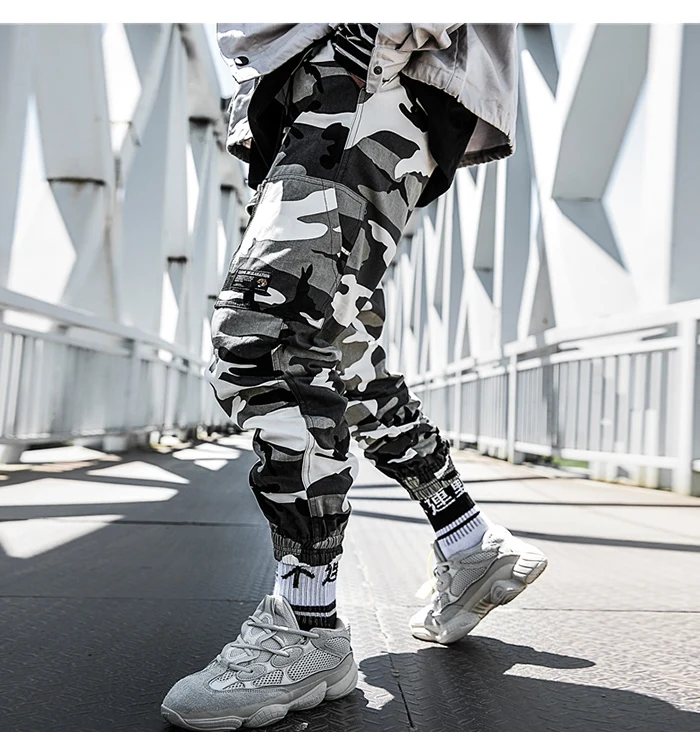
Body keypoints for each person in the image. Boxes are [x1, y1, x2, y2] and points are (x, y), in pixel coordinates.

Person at [162, 23, 548, 730]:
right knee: (343, 352)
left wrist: (389, 27)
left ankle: (306, 626)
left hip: (357, 67)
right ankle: (466, 538)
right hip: (328, 86)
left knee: (267, 340)